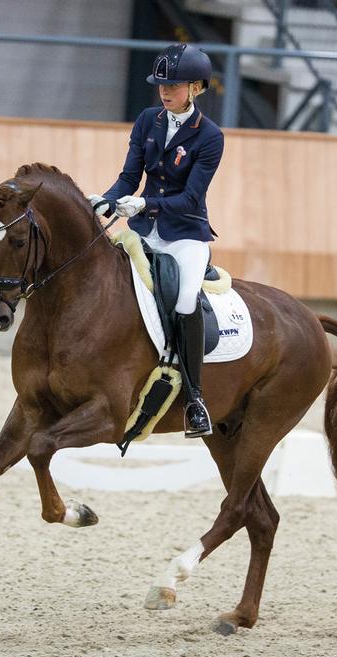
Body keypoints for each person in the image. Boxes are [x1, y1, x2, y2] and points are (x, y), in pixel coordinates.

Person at [86, 43, 223, 438]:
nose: (165, 91)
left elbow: (190, 198)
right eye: (161, 84)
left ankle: (195, 399)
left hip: (185, 234)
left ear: (196, 88)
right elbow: (129, 176)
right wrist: (106, 200)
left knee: (184, 299)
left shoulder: (210, 136)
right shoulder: (148, 120)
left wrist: (143, 204)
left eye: (175, 85)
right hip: (144, 232)